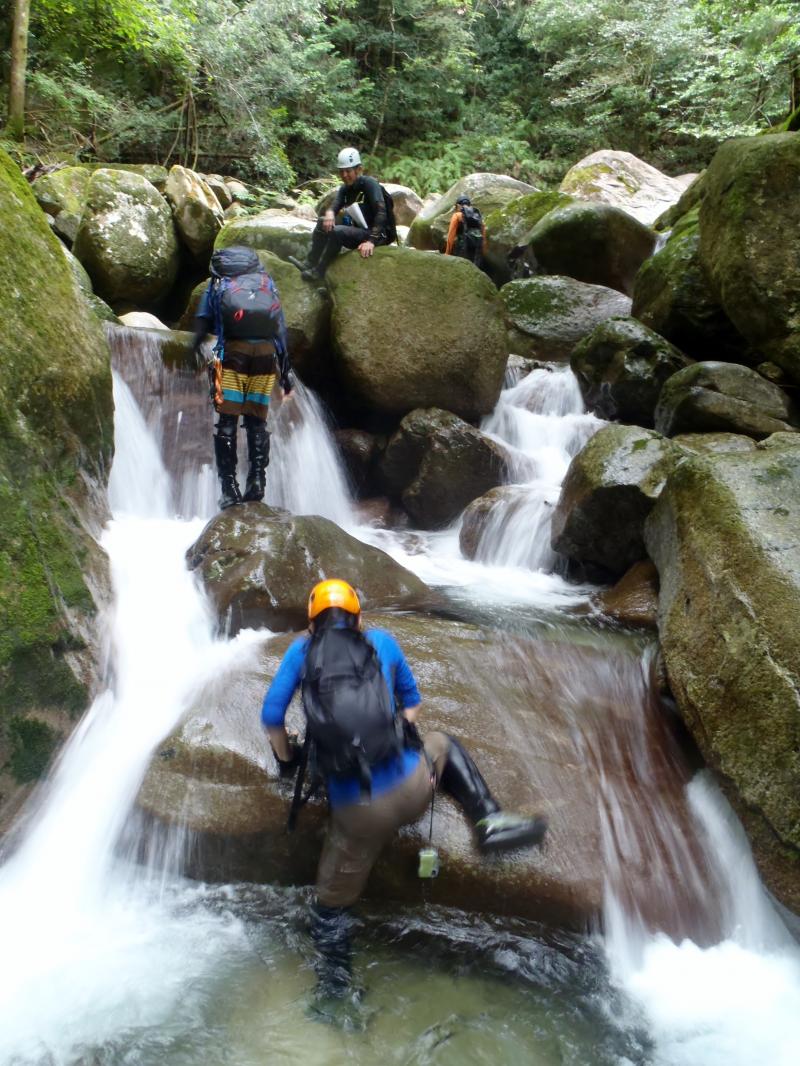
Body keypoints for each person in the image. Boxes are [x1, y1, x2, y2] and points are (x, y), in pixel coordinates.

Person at [261, 579, 547, 1003]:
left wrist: (287, 761)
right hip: (414, 791)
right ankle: (488, 819)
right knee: (443, 743)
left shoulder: (300, 653)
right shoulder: (382, 642)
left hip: (358, 819)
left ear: (311, 624)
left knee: (330, 908)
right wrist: (391, 732)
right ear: (359, 619)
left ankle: (335, 994)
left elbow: (271, 717)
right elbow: (412, 705)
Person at [192, 246, 294, 510]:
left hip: (233, 354)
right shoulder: (265, 282)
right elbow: (280, 327)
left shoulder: (218, 282)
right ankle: (257, 482)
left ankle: (229, 489)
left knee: (227, 421)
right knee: (256, 421)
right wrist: (286, 374)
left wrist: (193, 351)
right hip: (265, 355)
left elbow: (203, 320)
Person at [288, 148, 394, 282]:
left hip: (378, 234)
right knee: (322, 222)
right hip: (361, 229)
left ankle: (319, 272)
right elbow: (336, 204)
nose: (344, 175)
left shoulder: (370, 184)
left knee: (337, 232)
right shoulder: (346, 188)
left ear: (359, 169)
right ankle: (310, 263)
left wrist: (371, 241)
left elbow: (381, 212)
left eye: (348, 171)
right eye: (341, 171)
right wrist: (330, 213)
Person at [444, 195, 486, 267]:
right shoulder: (477, 215)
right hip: (477, 249)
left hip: (463, 249)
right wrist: (483, 251)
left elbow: (451, 236)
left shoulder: (457, 216)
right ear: (469, 205)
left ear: (458, 205)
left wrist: (447, 253)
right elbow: (483, 234)